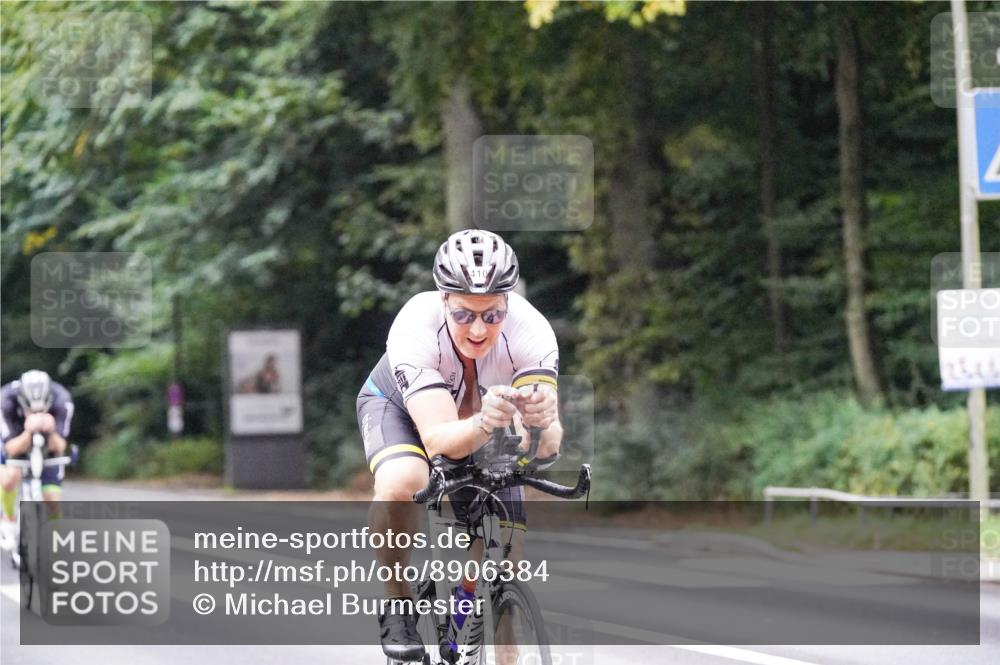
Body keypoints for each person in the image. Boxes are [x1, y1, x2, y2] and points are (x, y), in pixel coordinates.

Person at [357, 229, 562, 661]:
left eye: (492, 315)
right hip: (403, 411)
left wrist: (540, 426)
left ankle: (473, 622)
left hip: (481, 419)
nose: (478, 329)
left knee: (507, 554)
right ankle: (397, 604)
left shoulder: (531, 331)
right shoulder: (416, 326)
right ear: (444, 300)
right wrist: (487, 422)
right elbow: (439, 440)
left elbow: (543, 443)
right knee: (404, 481)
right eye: (464, 314)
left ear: (508, 302)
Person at [0, 370, 74, 550]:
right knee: (10, 477)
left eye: (41, 410)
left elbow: (60, 446)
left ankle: (57, 545)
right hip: (15, 439)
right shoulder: (5, 400)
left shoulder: (62, 399)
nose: (36, 413)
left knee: (52, 500)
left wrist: (50, 430)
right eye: (30, 410)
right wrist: (28, 431)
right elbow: (10, 448)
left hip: (47, 447)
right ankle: (8, 519)